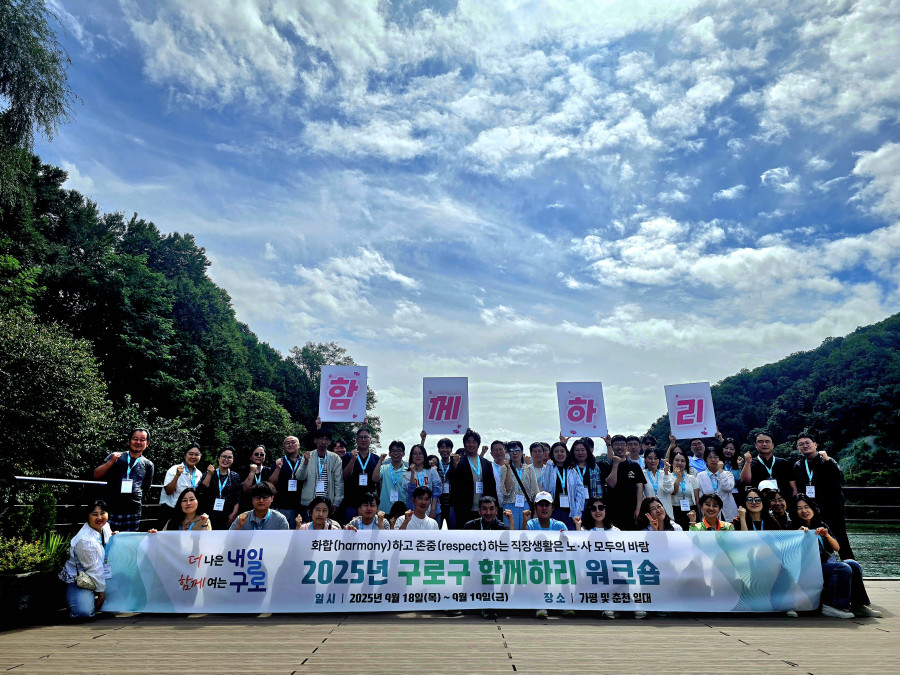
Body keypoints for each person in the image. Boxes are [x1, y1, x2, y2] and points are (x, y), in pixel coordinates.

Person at [793, 495, 881, 618]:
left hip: (824, 564)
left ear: (812, 508)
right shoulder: (793, 526)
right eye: (799, 508)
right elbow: (790, 552)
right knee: (842, 568)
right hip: (807, 568)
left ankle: (859, 605)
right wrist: (797, 535)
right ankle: (833, 606)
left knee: (853, 564)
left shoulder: (821, 524)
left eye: (806, 507)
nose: (804, 511)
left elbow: (837, 548)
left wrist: (826, 535)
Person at [792, 433, 854, 559]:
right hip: (811, 512)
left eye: (807, 443)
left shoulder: (826, 460)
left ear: (815, 444)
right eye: (801, 444)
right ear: (798, 448)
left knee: (842, 541)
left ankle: (852, 569)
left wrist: (828, 461)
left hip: (832, 509)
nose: (805, 446)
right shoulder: (798, 465)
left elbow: (840, 478)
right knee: (814, 543)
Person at [59, 500, 112, 619]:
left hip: (100, 573)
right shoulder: (85, 540)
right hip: (81, 578)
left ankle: (93, 598)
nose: (99, 517)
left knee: (116, 603)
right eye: (94, 514)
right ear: (87, 516)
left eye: (102, 513)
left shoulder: (105, 527)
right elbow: (93, 569)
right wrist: (101, 594)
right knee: (83, 612)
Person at [93, 428, 154, 531]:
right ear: (129, 440)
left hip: (133, 511)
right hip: (111, 508)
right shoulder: (116, 456)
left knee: (128, 540)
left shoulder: (148, 464)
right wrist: (111, 461)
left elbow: (146, 488)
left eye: (142, 440)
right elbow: (96, 474)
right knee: (107, 538)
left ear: (147, 443)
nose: (138, 442)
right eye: (135, 439)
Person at [447, 428, 499, 528]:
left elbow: (492, 486)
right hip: (464, 509)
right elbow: (453, 482)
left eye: (474, 442)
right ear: (464, 444)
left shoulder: (486, 463)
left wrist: (494, 507)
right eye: (468, 442)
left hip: (484, 510)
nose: (471, 444)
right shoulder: (458, 462)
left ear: (478, 444)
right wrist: (455, 466)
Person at [295, 428, 344, 518]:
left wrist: (337, 502)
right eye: (320, 438)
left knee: (326, 527)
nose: (323, 441)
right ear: (315, 440)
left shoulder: (335, 458)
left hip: (327, 503)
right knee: (308, 526)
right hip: (309, 503)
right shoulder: (308, 456)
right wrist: (305, 463)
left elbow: (338, 482)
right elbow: (299, 477)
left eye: (326, 439)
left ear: (329, 442)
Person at [342, 427, 386, 524]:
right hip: (351, 502)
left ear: (370, 440)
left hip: (369, 503)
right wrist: (352, 460)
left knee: (368, 530)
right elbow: (345, 476)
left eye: (366, 437)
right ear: (356, 439)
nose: (363, 439)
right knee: (350, 529)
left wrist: (378, 500)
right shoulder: (348, 456)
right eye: (360, 437)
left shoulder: (376, 459)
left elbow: (378, 482)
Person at [604, 435, 646, 530]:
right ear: (612, 447)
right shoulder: (606, 465)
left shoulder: (634, 466)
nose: (620, 447)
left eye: (623, 444)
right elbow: (611, 484)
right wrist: (615, 464)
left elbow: (639, 488)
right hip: (612, 510)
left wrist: (638, 508)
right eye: (616, 444)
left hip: (631, 510)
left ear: (626, 447)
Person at [541, 441, 585, 529]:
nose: (559, 454)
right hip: (554, 512)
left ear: (566, 453)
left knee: (570, 536)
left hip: (570, 512)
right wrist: (549, 466)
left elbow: (580, 493)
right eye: (556, 451)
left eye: (562, 451)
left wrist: (577, 513)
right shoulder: (548, 469)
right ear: (552, 454)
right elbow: (546, 488)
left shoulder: (572, 471)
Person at [159, 443, 204, 527]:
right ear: (185, 455)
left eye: (197, 454)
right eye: (191, 454)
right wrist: (177, 475)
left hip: (188, 513)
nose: (193, 457)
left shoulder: (199, 474)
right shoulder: (174, 469)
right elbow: (168, 491)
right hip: (171, 511)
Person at [200, 446, 242, 530]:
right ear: (219, 458)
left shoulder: (235, 476)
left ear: (233, 460)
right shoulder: (210, 473)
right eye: (224, 456)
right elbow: (202, 489)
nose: (226, 459)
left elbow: (237, 497)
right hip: (209, 514)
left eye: (229, 457)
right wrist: (209, 474)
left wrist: (234, 514)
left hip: (227, 516)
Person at [268, 435, 304, 528]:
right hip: (280, 506)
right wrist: (277, 469)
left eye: (293, 442)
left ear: (299, 445)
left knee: (296, 534)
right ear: (284, 447)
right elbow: (271, 483)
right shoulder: (279, 461)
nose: (290, 445)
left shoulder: (304, 462)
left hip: (299, 506)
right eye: (287, 443)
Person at [500, 440, 538, 529]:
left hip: (525, 504)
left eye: (517, 450)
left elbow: (535, 491)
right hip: (509, 505)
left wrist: (536, 511)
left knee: (526, 532)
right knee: (510, 532)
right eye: (511, 451)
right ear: (508, 454)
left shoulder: (529, 469)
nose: (515, 453)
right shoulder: (504, 468)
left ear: (522, 452)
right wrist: (508, 468)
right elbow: (506, 490)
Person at [659, 449, 699, 530]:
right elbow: (673, 492)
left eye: (682, 461)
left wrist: (699, 512)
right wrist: (678, 477)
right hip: (676, 509)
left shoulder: (691, 478)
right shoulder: (668, 476)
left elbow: (697, 497)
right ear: (672, 462)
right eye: (677, 460)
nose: (679, 463)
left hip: (691, 509)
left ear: (686, 463)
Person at [695, 447, 737, 521]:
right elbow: (700, 496)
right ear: (705, 460)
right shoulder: (700, 476)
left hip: (727, 511)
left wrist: (721, 472)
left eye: (716, 457)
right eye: (709, 457)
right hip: (709, 511)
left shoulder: (727, 474)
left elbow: (727, 488)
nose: (713, 460)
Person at [405, 443, 442, 519]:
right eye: (415, 454)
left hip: (432, 511)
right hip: (413, 512)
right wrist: (412, 473)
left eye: (420, 453)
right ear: (411, 456)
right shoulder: (406, 473)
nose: (418, 456)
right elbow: (410, 492)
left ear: (424, 455)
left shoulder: (432, 471)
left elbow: (436, 491)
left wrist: (433, 509)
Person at [378, 440, 410, 513]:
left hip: (401, 510)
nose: (396, 453)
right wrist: (380, 461)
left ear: (403, 453)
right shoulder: (383, 468)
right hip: (384, 510)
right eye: (393, 451)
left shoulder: (407, 471)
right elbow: (374, 478)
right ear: (389, 453)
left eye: (399, 451)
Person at [240, 445, 274, 512]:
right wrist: (252, 472)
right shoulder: (243, 470)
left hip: (264, 507)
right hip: (247, 507)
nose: (259, 456)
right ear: (251, 456)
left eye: (262, 454)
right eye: (256, 454)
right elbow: (245, 489)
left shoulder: (269, 471)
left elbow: (272, 489)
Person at [432, 435, 455, 529]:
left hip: (452, 504)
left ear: (451, 450)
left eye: (447, 447)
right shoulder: (435, 466)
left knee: (453, 530)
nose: (444, 450)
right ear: (438, 450)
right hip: (438, 504)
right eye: (442, 447)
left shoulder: (455, 465)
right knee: (436, 530)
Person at [718, 434, 744, 503]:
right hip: (720, 495)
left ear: (736, 451)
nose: (728, 451)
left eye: (731, 449)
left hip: (736, 496)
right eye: (726, 448)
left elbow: (742, 480)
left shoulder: (740, 462)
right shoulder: (717, 462)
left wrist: (740, 466)